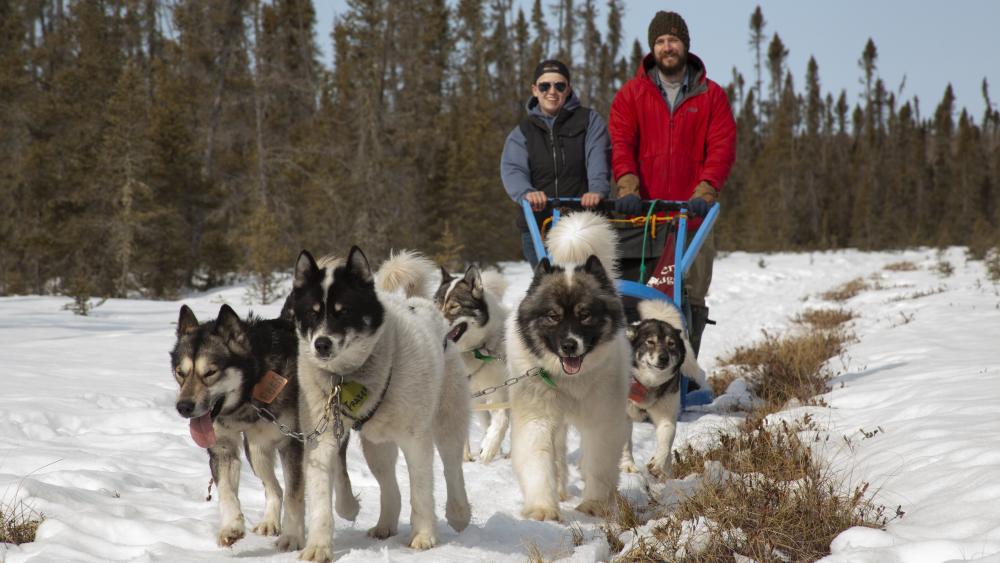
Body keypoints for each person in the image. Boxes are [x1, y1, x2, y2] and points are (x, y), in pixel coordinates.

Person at [608, 11, 737, 356]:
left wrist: (705, 190)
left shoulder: (711, 96)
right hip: (643, 219)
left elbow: (721, 148)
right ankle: (637, 371)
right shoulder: (631, 95)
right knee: (642, 294)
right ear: (653, 48)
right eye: (661, 41)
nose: (668, 47)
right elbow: (621, 144)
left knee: (690, 292)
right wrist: (628, 188)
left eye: (674, 40)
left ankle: (687, 369)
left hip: (691, 215)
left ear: (685, 45)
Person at [501, 59, 611, 267]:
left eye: (559, 86)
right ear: (535, 90)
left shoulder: (589, 121)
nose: (552, 91)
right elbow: (513, 170)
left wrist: (596, 190)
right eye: (545, 86)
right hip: (539, 224)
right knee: (548, 288)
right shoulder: (522, 132)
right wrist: (527, 192)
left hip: (582, 223)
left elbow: (598, 158)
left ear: (568, 89)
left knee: (584, 287)